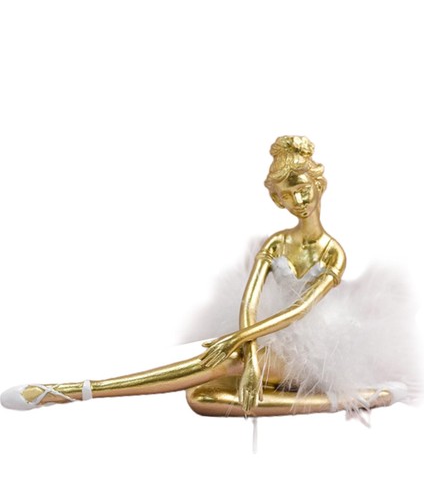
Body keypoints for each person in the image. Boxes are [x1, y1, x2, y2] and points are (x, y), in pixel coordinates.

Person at [1, 136, 417, 418]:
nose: (299, 199)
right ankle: (341, 400)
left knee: (220, 360)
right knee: (201, 399)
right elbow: (249, 300)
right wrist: (248, 346)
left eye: (303, 187)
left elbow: (299, 310)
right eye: (287, 194)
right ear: (278, 200)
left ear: (319, 183)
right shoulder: (277, 241)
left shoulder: (332, 252)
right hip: (264, 339)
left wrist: (239, 344)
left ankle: (74, 391)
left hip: (315, 348)